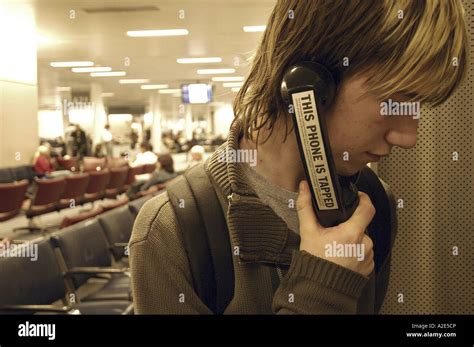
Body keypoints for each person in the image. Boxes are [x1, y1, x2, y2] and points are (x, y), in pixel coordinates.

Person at [129, 0, 467, 314]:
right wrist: (323, 291)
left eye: (415, 107)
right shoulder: (172, 230)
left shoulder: (373, 202)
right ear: (308, 85)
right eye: (395, 98)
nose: (408, 137)